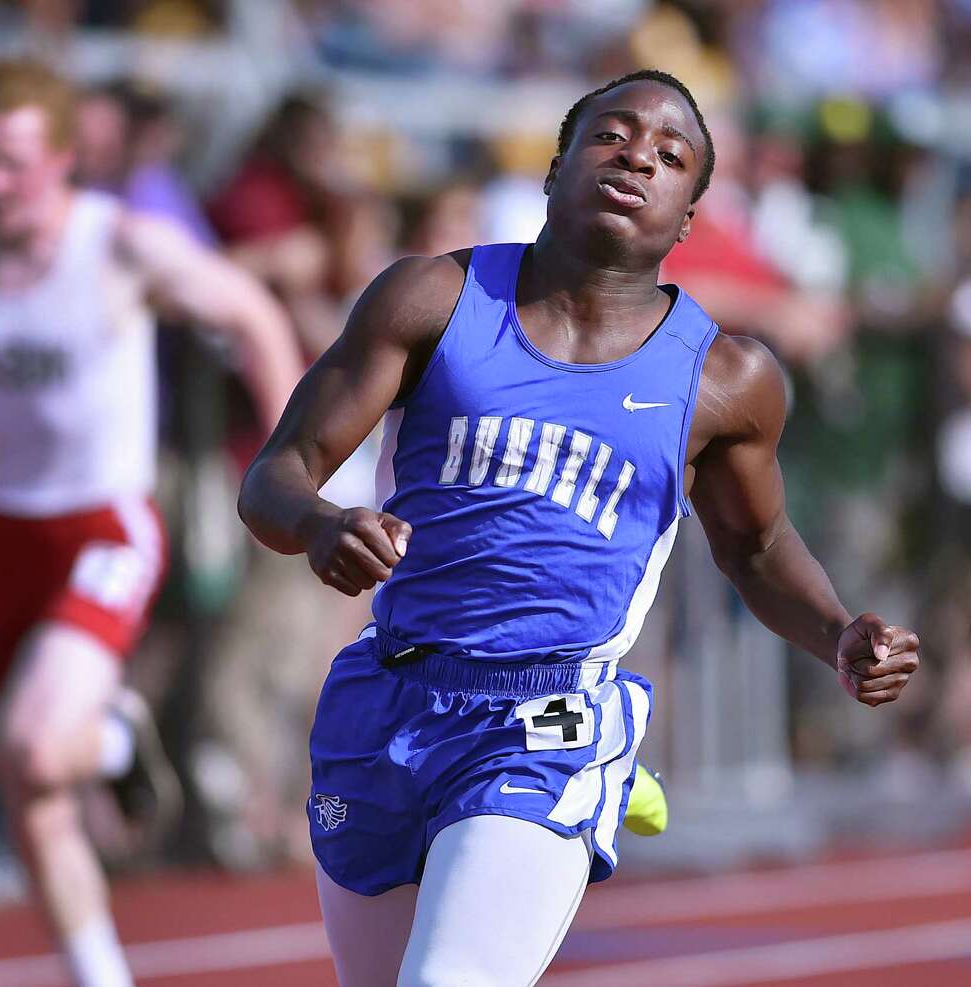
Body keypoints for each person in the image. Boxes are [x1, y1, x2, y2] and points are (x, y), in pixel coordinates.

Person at [238, 69, 922, 986]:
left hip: (546, 719)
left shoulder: (725, 377)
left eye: (672, 156)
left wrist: (839, 630)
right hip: (393, 699)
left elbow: (755, 548)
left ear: (687, 220)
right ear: (557, 169)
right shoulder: (433, 298)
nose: (639, 154)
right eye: (613, 135)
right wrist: (319, 522)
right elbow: (275, 472)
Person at [0, 59, 302, 987]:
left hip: (100, 524)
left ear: (61, 160)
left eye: (13, 163)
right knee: (33, 794)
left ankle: (122, 735)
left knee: (38, 743)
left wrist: (294, 454)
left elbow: (253, 314)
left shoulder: (121, 245)